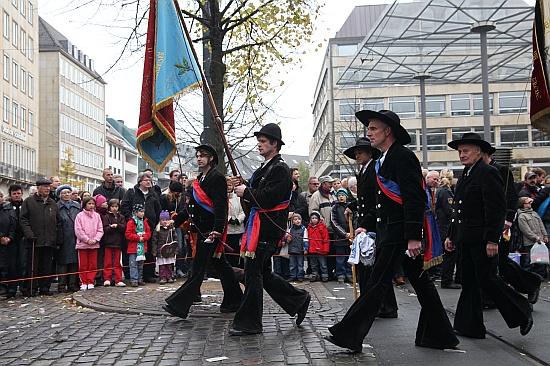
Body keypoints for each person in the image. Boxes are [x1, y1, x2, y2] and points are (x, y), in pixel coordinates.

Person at [326, 109, 458, 352]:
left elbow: (413, 199)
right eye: (369, 128)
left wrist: (412, 237)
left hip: (399, 234)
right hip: (389, 231)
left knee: (376, 283)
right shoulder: (382, 160)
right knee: (421, 283)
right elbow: (380, 203)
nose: (369, 133)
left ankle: (348, 334)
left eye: (373, 128)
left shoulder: (403, 157)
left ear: (388, 131)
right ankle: (441, 334)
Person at [446, 132, 533, 338]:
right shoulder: (466, 175)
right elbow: (459, 210)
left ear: (479, 152)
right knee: (468, 282)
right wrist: (451, 235)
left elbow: (495, 208)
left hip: (482, 239)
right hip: (466, 238)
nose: (461, 155)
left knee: (487, 280)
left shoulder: (487, 172)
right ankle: (469, 326)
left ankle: (521, 311)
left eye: (466, 151)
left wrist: (493, 239)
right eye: (459, 151)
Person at [230, 123, 311, 335]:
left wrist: (246, 191)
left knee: (253, 274)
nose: (259, 145)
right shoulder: (266, 168)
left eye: (263, 141)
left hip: (267, 229)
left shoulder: (280, 169)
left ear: (274, 144)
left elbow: (267, 198)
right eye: (259, 141)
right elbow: (259, 190)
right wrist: (245, 185)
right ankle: (299, 300)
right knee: (262, 274)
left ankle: (250, 322)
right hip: (260, 228)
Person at [164, 144, 243, 319]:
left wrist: (217, 230)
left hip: (210, 231)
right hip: (201, 230)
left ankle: (179, 305)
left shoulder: (216, 178)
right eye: (198, 155)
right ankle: (235, 300)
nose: (199, 158)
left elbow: (221, 207)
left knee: (198, 268)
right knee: (221, 266)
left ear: (211, 158)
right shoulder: (201, 178)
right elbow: (190, 207)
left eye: (203, 156)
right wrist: (175, 221)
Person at [481, 148, 543, 304]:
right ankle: (487, 296)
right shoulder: (474, 171)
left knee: (500, 261)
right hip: (483, 223)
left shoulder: (501, 170)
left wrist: (508, 220)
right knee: (488, 262)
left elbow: (511, 197)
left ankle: (530, 284)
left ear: (487, 154)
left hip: (501, 223)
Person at [20, 178, 63, 296]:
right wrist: (29, 234)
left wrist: (57, 238)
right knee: (33, 266)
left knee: (47, 266)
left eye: (48, 187)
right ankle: (31, 289)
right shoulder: (28, 202)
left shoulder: (52, 203)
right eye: (45, 187)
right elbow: (23, 220)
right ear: (38, 188)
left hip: (49, 240)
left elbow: (58, 222)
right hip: (34, 240)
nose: (47, 189)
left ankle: (45, 288)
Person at [121, 172, 161, 283]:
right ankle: (134, 276)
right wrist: (132, 220)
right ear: (140, 181)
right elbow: (124, 207)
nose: (149, 182)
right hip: (135, 228)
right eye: (146, 180)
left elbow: (158, 209)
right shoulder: (131, 192)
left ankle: (149, 274)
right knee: (135, 252)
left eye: (150, 180)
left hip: (150, 227)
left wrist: (157, 222)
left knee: (149, 251)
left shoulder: (153, 194)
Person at [436, 170, 461, 289]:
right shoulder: (446, 192)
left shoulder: (439, 191)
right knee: (450, 254)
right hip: (446, 227)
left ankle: (447, 279)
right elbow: (449, 211)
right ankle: (447, 280)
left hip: (441, 226)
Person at [75, 196, 104, 290]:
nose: (91, 206)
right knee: (83, 264)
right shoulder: (79, 216)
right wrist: (87, 240)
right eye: (89, 204)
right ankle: (83, 281)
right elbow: (78, 230)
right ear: (84, 204)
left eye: (93, 204)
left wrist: (95, 239)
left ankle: (91, 281)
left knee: (93, 264)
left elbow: (100, 229)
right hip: (82, 244)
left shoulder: (97, 216)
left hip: (94, 244)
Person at [56, 185, 81, 293]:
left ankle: (72, 284)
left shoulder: (77, 206)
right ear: (59, 195)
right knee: (62, 262)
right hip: (62, 237)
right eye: (63, 193)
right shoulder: (56, 206)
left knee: (75, 261)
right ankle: (61, 285)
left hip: (76, 236)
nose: (66, 194)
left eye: (68, 192)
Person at [3, 185, 26, 298]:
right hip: (11, 239)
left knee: (23, 264)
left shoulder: (26, 205)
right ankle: (11, 289)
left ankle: (23, 287)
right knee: (11, 265)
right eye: (14, 194)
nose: (16, 195)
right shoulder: (6, 207)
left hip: (23, 238)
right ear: (11, 195)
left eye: (18, 193)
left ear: (22, 193)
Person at [517, 197, 548, 277]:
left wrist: (545, 235)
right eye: (528, 203)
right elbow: (525, 230)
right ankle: (527, 278)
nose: (530, 204)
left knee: (540, 261)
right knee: (528, 262)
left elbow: (541, 225)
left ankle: (538, 277)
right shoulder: (521, 216)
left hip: (540, 242)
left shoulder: (534, 213)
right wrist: (535, 237)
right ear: (523, 204)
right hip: (529, 243)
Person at [101, 199, 127, 287]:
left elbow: (124, 227)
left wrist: (118, 226)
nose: (114, 208)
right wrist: (111, 227)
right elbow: (105, 229)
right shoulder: (106, 217)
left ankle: (118, 279)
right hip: (108, 242)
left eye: (116, 206)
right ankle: (107, 278)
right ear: (109, 207)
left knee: (117, 262)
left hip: (118, 242)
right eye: (112, 207)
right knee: (107, 261)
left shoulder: (121, 217)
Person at [125, 204, 152, 287]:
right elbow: (128, 234)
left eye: (143, 211)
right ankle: (134, 280)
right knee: (133, 264)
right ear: (135, 212)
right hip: (133, 247)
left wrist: (144, 238)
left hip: (142, 247)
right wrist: (137, 238)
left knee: (141, 265)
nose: (142, 213)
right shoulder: (131, 222)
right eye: (140, 211)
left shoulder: (145, 222)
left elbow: (148, 232)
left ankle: (140, 279)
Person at [330, 188, 352, 283]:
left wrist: (352, 233)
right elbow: (333, 222)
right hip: (340, 238)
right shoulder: (335, 207)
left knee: (349, 257)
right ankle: (340, 274)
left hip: (351, 237)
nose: (341, 197)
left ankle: (349, 274)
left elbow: (354, 220)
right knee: (340, 257)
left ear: (346, 196)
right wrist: (344, 233)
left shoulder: (351, 206)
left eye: (342, 195)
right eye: (339, 195)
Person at [152, 211, 178, 284]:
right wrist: (154, 251)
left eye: (166, 220)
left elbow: (175, 239)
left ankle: (169, 276)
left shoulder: (171, 229)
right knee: (162, 265)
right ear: (160, 221)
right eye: (163, 220)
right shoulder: (157, 230)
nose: (165, 221)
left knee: (169, 264)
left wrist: (175, 249)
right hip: (161, 250)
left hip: (170, 250)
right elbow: (154, 241)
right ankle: (162, 277)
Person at [227, 178, 246, 268]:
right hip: (228, 230)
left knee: (238, 249)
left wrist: (239, 219)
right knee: (228, 250)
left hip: (238, 228)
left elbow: (243, 210)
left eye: (230, 185)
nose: (228, 187)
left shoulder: (238, 197)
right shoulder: (222, 197)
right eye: (227, 185)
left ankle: (239, 267)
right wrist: (229, 219)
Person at [0, 192, 16, 296]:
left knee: (7, 266)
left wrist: (9, 237)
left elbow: (13, 223)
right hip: (1, 239)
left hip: (8, 242)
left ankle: (6, 287)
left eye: (1, 196)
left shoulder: (8, 209)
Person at [307, 211, 329, 282]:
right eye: (312, 218)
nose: (314, 219)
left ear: (319, 219)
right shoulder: (309, 227)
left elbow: (326, 239)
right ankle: (315, 275)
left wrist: (325, 249)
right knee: (313, 265)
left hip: (321, 249)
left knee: (323, 264)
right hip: (312, 249)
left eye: (316, 218)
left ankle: (325, 276)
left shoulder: (322, 227)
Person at [285, 213, 308, 282]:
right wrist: (287, 239)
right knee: (292, 264)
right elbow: (287, 238)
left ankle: (300, 276)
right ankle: (293, 276)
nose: (297, 221)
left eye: (299, 219)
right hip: (292, 249)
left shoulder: (304, 229)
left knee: (300, 264)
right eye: (295, 219)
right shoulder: (290, 229)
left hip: (300, 250)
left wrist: (305, 248)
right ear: (293, 221)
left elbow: (305, 239)